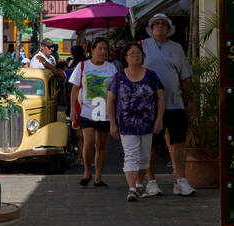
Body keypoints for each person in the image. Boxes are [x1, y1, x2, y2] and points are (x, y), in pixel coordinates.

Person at [140, 13, 197, 197]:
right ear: (151, 28)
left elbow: (185, 77)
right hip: (149, 105)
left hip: (175, 102)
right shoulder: (142, 46)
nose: (160, 26)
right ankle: (151, 182)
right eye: (156, 23)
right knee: (151, 144)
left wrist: (191, 102)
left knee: (179, 142)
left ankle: (180, 180)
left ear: (169, 28)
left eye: (163, 24)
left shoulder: (177, 48)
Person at [107, 41, 165, 202]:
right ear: (125, 57)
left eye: (138, 53)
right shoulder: (119, 77)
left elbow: (160, 97)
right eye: (132, 53)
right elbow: (111, 100)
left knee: (145, 157)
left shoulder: (151, 75)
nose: (136, 56)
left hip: (147, 123)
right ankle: (132, 188)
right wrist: (112, 122)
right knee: (131, 155)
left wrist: (159, 119)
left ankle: (139, 184)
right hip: (126, 123)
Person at [69, 38, 117, 187]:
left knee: (101, 144)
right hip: (87, 111)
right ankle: (87, 173)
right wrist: (72, 110)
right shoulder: (83, 66)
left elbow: (116, 90)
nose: (102, 52)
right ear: (92, 50)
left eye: (105, 49)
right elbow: (75, 89)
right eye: (100, 48)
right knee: (88, 142)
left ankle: (98, 177)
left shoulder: (111, 68)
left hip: (105, 112)